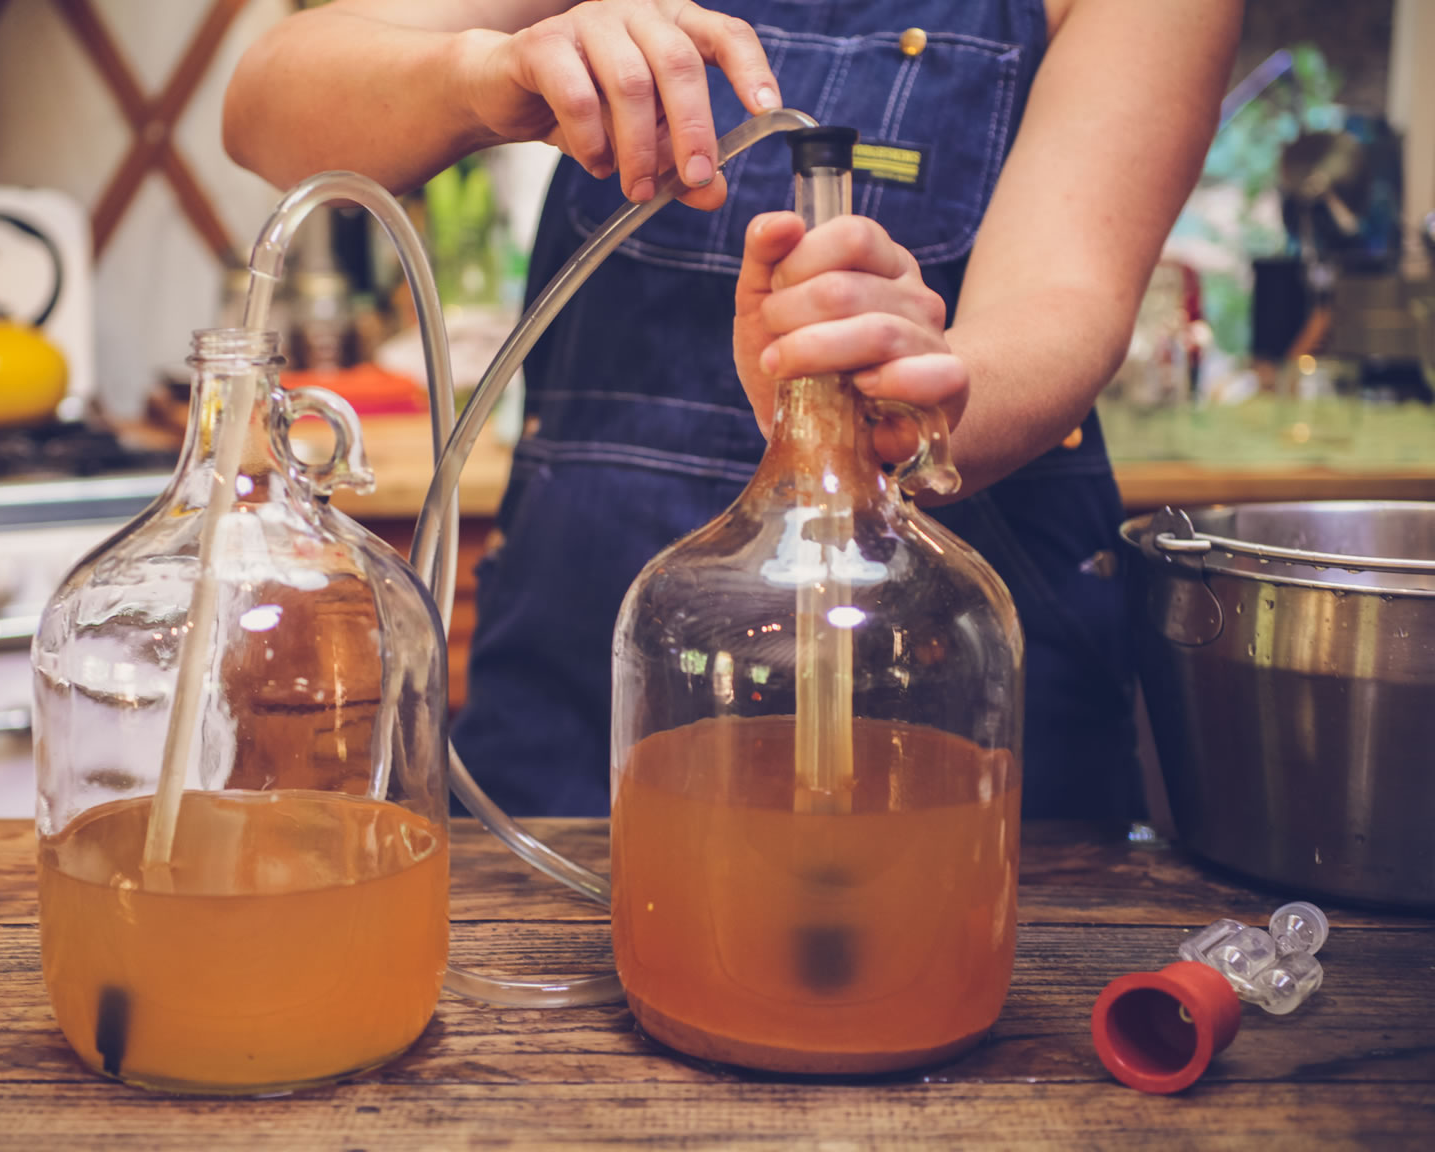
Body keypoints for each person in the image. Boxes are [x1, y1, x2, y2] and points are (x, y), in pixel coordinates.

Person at [225, 0, 1242, 820]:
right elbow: (267, 105)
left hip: (930, 697)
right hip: (572, 679)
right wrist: (482, 75)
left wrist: (896, 397)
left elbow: (1062, 303)